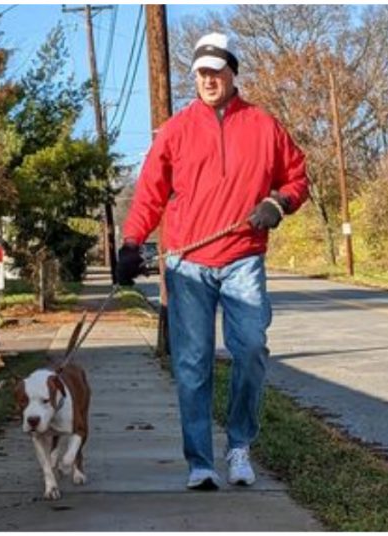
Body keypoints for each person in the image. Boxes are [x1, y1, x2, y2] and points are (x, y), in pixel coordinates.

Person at [116, 32, 309, 490]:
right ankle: (200, 462)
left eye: (215, 71)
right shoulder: (176, 131)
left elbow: (298, 177)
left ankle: (239, 447)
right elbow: (149, 195)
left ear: (231, 72)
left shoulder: (264, 125)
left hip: (243, 257)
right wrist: (130, 243)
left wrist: (278, 203)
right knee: (192, 362)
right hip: (186, 263)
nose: (207, 79)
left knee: (251, 350)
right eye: (200, 72)